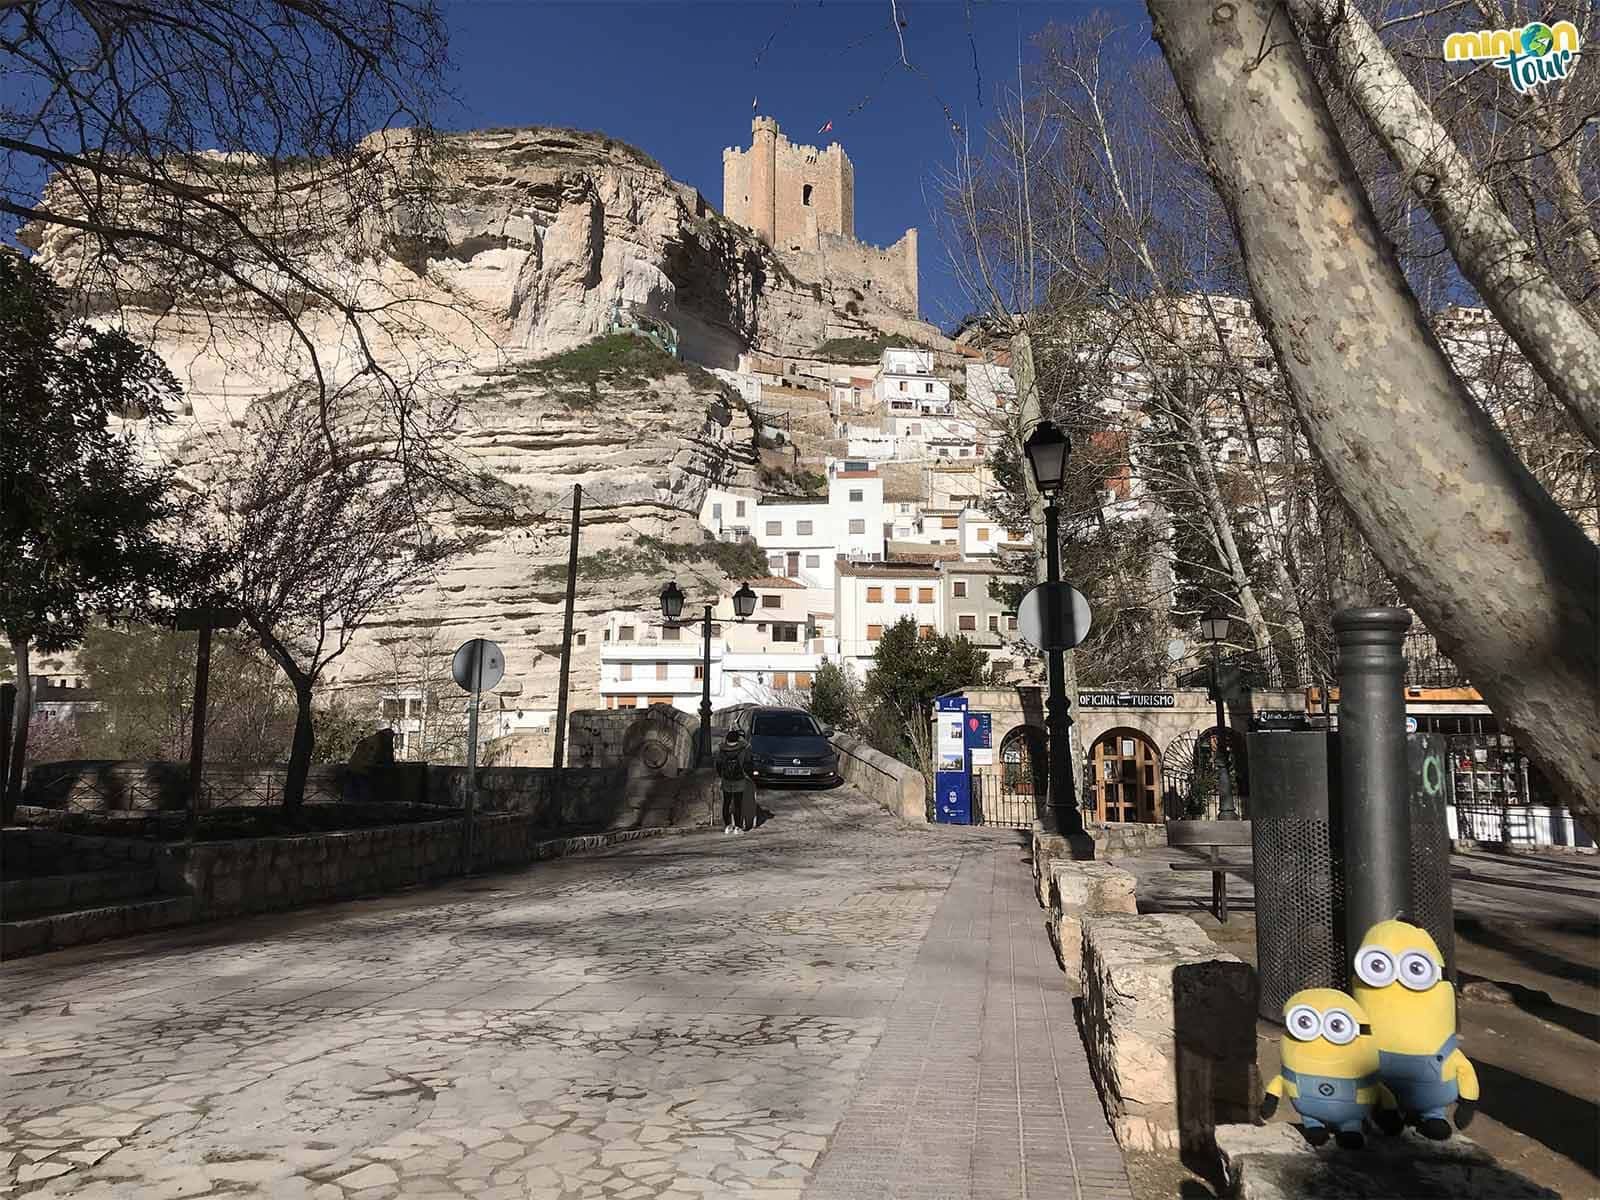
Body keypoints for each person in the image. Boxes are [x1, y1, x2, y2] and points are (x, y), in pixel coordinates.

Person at [716, 728, 753, 835]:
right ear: (738, 738)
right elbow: (747, 763)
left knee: (726, 803)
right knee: (738, 803)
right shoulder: (742, 749)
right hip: (739, 779)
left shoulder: (722, 749)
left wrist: (721, 775)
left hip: (726, 779)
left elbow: (718, 764)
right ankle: (738, 827)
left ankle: (728, 826)